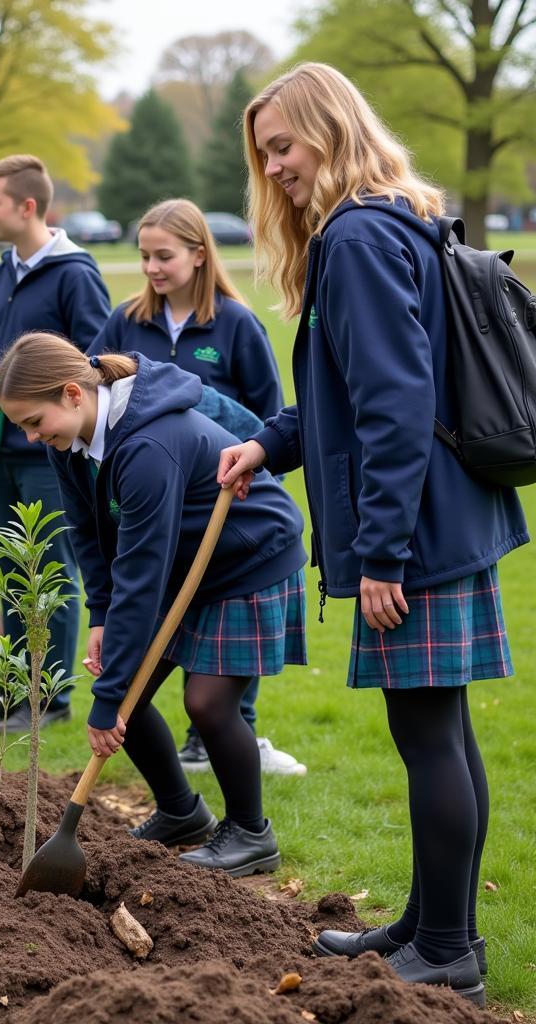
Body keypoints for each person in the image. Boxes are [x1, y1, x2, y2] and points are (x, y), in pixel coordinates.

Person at [219, 62, 528, 1005]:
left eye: (286, 145)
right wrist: (269, 446)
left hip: (415, 525)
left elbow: (393, 405)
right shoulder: (399, 214)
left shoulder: (354, 236)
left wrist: (384, 555)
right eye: (264, 152)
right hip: (444, 508)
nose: (273, 168)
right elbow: (350, 396)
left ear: (332, 129)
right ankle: (435, 921)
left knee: (428, 734)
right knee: (444, 731)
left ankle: (448, 949)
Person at [0, 332, 308, 876]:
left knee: (207, 703)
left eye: (33, 421)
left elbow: (141, 574)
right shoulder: (73, 444)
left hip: (246, 562)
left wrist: (107, 694)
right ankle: (181, 812)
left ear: (73, 394)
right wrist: (100, 616)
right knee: (127, 700)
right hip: (181, 567)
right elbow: (90, 537)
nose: (29, 437)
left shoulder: (147, 445)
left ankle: (251, 834)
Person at [88, 198, 305, 778]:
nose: (153, 268)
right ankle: (198, 752)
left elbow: (269, 417)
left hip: (227, 503)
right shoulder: (125, 323)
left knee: (223, 651)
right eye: (144, 257)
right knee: (165, 619)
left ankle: (230, 733)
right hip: (158, 504)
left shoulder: (234, 323)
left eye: (164, 256)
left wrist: (257, 474)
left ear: (199, 254)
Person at [0, 154, 111, 733]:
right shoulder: (0, 272)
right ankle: (15, 690)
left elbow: (94, 362)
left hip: (53, 454)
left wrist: (27, 385)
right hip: (5, 453)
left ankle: (51, 699)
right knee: (11, 572)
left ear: (28, 206)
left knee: (49, 575)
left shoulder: (76, 273)